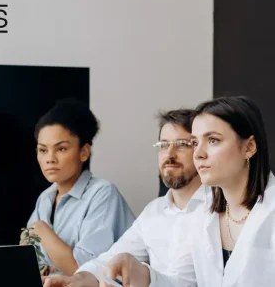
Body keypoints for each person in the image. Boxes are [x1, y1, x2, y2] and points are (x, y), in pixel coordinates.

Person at [101, 96, 275, 287]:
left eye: (213, 140)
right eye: (195, 143)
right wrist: (143, 274)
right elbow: (185, 283)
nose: (198, 154)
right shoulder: (204, 214)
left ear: (249, 147)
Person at [43, 109, 211, 287]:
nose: (169, 154)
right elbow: (108, 259)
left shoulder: (218, 208)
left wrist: (142, 273)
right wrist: (75, 280)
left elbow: (187, 283)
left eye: (182, 144)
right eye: (163, 145)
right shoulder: (154, 211)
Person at [20, 99, 135, 276]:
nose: (50, 158)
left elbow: (82, 270)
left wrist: (40, 229)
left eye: (61, 149)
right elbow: (30, 261)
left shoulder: (102, 193)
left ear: (84, 152)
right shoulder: (45, 198)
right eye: (43, 150)